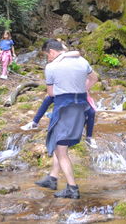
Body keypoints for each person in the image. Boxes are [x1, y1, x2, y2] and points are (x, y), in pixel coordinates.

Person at [34, 39, 98, 199]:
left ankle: (72, 188)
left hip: (64, 111)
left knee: (61, 150)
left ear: (52, 52)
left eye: (46, 55)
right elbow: (95, 78)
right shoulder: (82, 61)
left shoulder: (51, 67)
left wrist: (65, 89)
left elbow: (51, 94)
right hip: (81, 109)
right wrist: (82, 89)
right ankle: (52, 178)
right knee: (59, 143)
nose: (47, 59)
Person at [21, 87, 98, 149]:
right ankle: (35, 122)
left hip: (76, 99)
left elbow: (87, 89)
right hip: (65, 98)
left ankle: (89, 137)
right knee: (48, 99)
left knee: (91, 112)